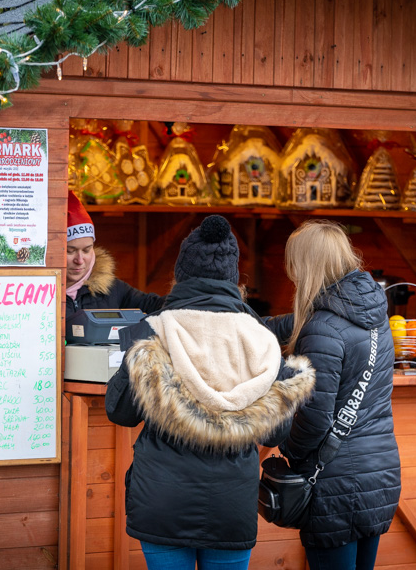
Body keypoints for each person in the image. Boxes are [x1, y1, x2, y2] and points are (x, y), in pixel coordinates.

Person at [105, 214, 317, 570]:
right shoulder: (261, 341)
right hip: (231, 502)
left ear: (181, 274)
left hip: (161, 500)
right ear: (234, 279)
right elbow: (277, 430)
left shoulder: (153, 331)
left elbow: (121, 412)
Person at [266, 219, 401, 570]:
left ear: (307, 266)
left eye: (294, 264)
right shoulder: (374, 316)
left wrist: (288, 451)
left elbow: (314, 419)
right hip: (379, 473)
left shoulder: (322, 328)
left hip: (336, 486)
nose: (291, 274)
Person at [65, 191, 165, 316]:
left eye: (86, 250)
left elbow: (154, 304)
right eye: (70, 251)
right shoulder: (40, 294)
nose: (80, 260)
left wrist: (188, 293)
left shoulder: (112, 288)